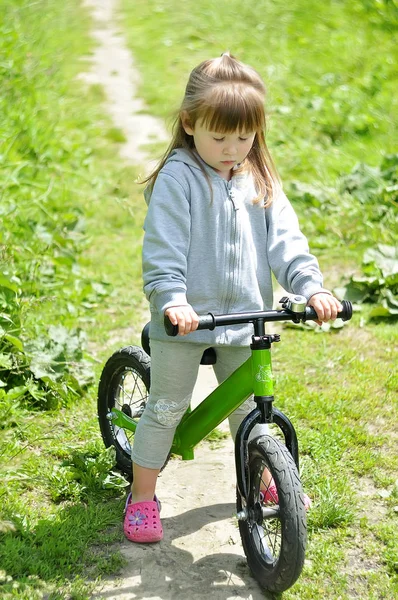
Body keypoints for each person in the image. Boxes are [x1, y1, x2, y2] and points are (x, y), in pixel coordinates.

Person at [123, 52, 342, 543]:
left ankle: (267, 477)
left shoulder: (259, 176)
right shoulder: (178, 179)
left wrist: (312, 286)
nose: (231, 149)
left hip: (244, 318)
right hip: (184, 319)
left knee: (250, 408)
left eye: (243, 137)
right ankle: (141, 497)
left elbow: (286, 242)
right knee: (166, 406)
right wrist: (171, 299)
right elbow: (164, 249)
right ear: (189, 122)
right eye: (219, 137)